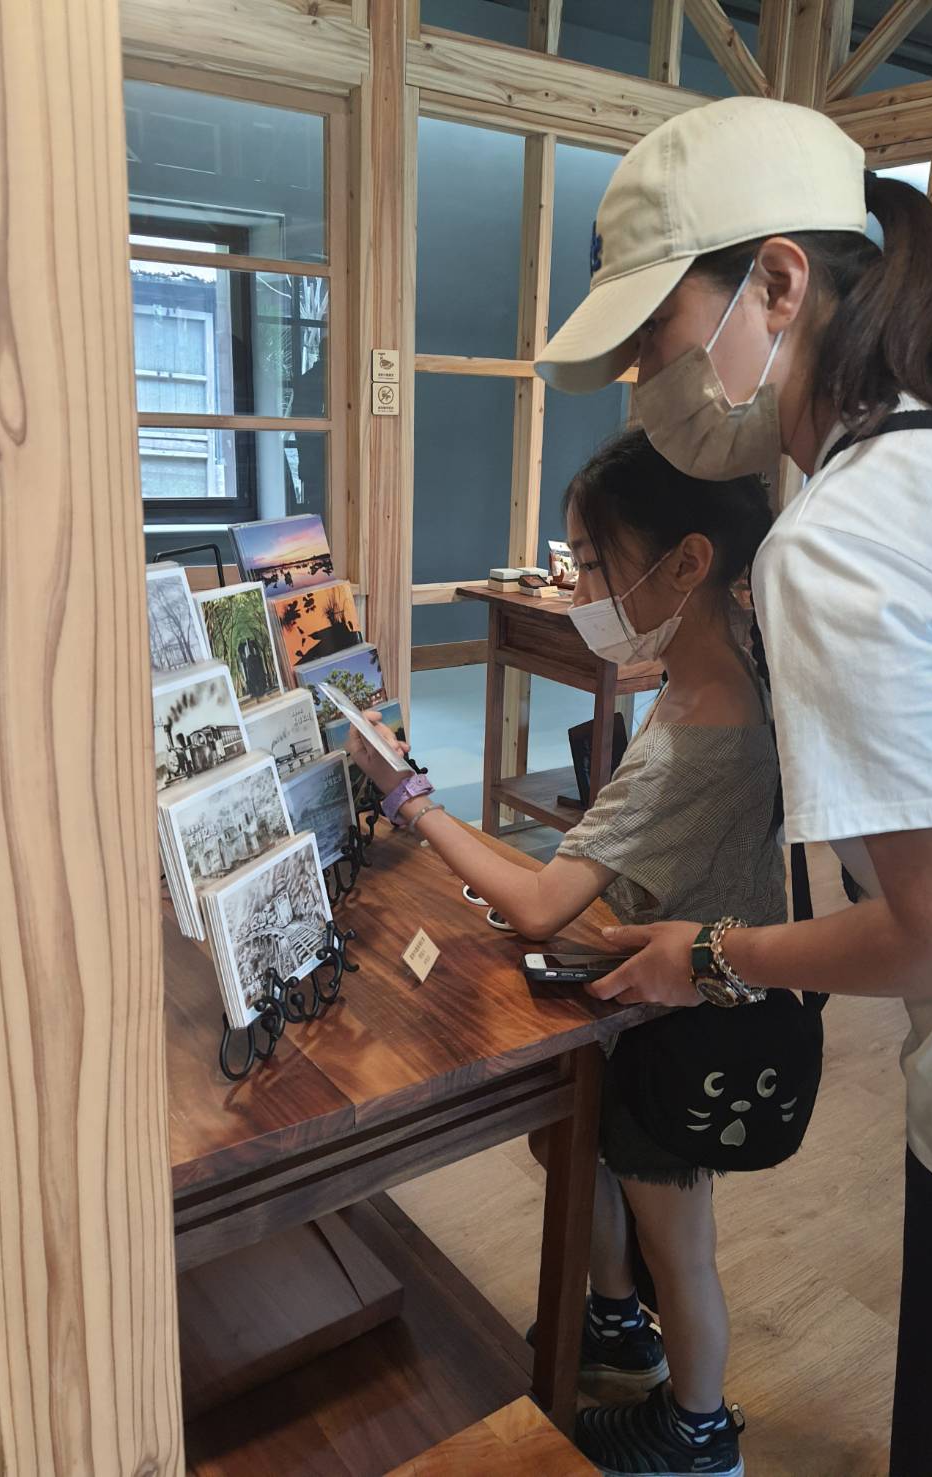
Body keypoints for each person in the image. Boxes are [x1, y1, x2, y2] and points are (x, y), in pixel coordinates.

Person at [534, 95, 932, 1477]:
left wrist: (711, 953)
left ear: (777, 282)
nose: (645, 384)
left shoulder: (841, 539)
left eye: (653, 336)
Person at [346, 428, 824, 1477]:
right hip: (660, 997)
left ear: (687, 564)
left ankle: (698, 1432)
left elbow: (538, 903)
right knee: (575, 1146)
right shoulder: (723, 673)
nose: (580, 591)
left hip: (688, 1027)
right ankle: (613, 1326)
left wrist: (411, 798)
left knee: (679, 1245)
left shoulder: (698, 732)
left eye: (596, 564)